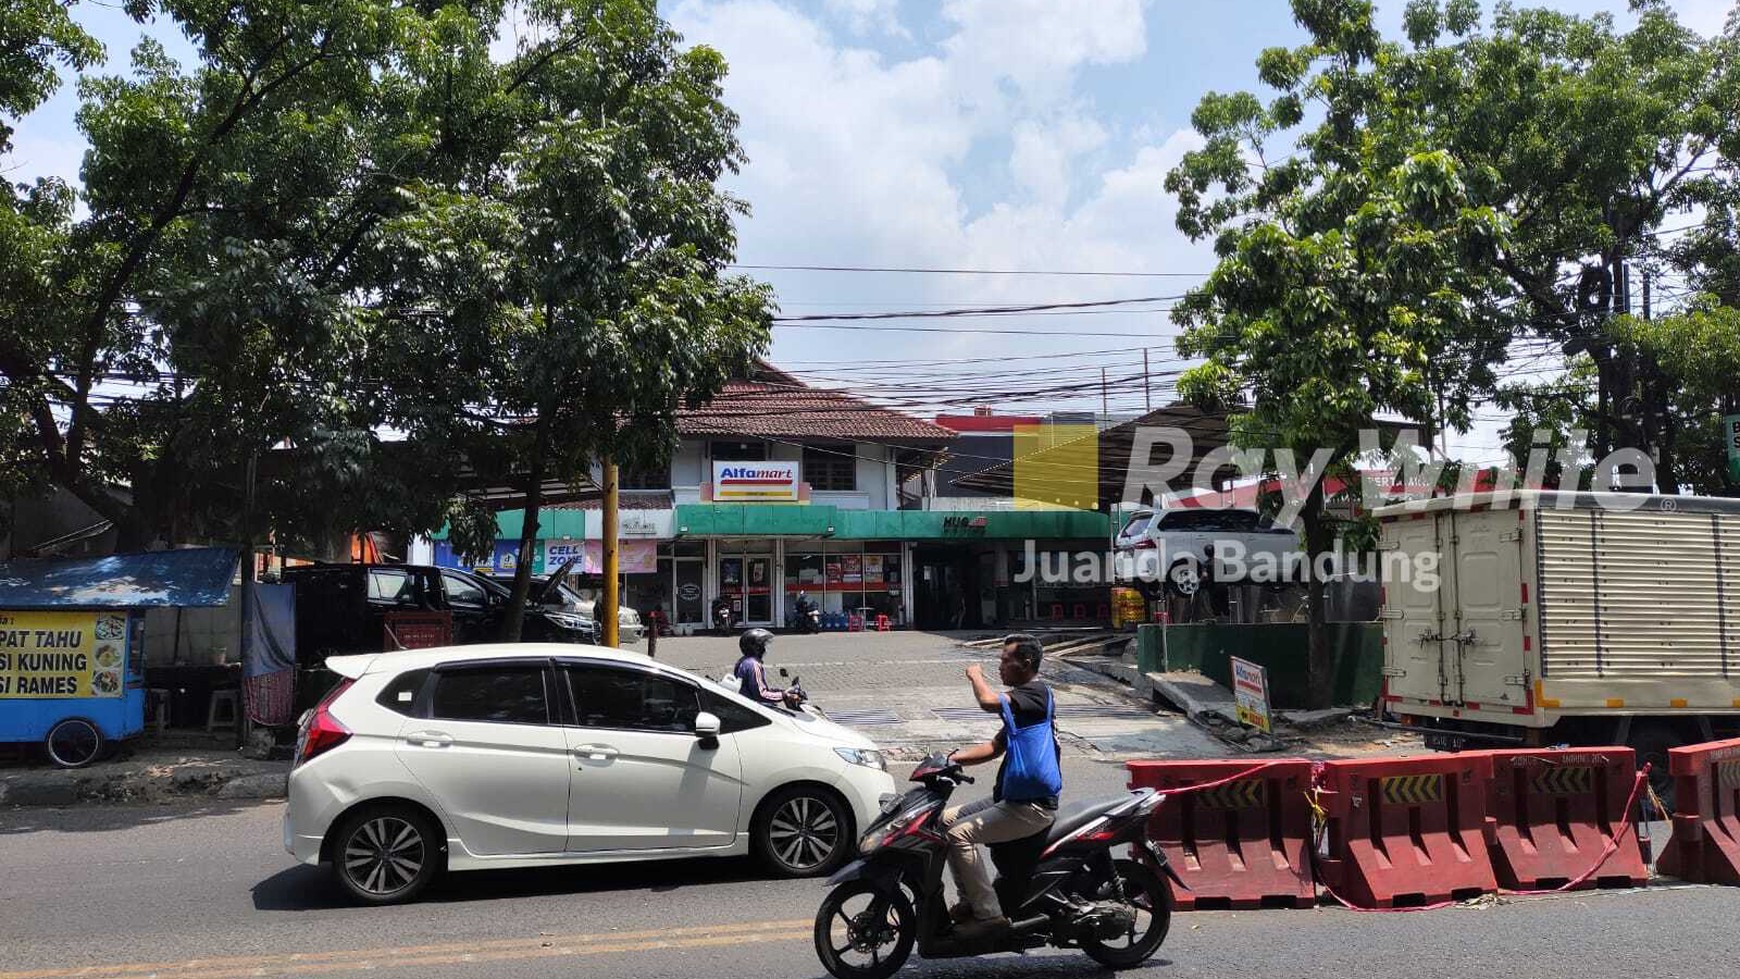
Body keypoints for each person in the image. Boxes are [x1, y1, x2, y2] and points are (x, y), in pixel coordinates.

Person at [940, 633, 1062, 940]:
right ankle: (970, 901)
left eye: (1005, 660)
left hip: (1031, 807)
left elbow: (987, 701)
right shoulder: (1023, 708)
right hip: (1010, 801)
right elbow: (994, 747)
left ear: (1026, 663)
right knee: (944, 821)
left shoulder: (1035, 694)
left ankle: (989, 915)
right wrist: (950, 760)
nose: (1000, 667)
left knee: (959, 835)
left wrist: (975, 674)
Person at [734, 628, 801, 708]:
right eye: (763, 645)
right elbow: (760, 694)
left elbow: (757, 688)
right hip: (754, 708)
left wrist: (781, 691)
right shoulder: (754, 665)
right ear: (757, 647)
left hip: (746, 703)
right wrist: (785, 695)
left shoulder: (743, 661)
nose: (765, 648)